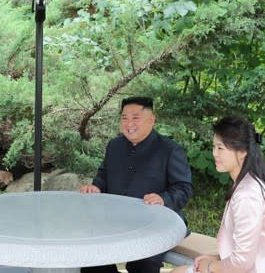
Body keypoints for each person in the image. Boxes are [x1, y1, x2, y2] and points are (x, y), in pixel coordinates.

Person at [80, 96, 193, 273]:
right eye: (124, 118)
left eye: (135, 117)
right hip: (115, 221)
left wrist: (163, 199)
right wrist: (96, 187)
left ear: (152, 119)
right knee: (92, 258)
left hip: (157, 224)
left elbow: (184, 188)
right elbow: (103, 174)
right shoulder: (114, 146)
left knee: (142, 262)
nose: (129, 123)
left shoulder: (170, 150)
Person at [171, 116, 265, 273]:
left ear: (242, 151)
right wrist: (216, 258)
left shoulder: (247, 194)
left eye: (220, 148)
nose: (214, 153)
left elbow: (242, 262)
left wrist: (210, 267)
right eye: (214, 147)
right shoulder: (246, 182)